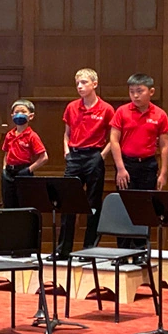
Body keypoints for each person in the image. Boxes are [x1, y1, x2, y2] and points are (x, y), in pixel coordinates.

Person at [53, 68, 115, 261]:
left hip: (94, 157)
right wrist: (66, 151)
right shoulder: (72, 107)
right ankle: (63, 250)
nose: (80, 86)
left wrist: (101, 156)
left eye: (84, 82)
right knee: (68, 203)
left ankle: (89, 250)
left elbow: (113, 138)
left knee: (92, 204)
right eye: (77, 83)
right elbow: (67, 133)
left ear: (94, 84)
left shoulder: (106, 109)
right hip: (74, 156)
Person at [109, 73, 168, 261]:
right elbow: (114, 139)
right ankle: (122, 252)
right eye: (132, 92)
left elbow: (164, 144)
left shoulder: (159, 114)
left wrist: (163, 172)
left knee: (145, 209)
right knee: (124, 207)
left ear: (151, 92)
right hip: (126, 165)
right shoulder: (122, 111)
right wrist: (120, 168)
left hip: (148, 165)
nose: (135, 96)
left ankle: (140, 250)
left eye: (139, 91)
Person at [1, 99, 48, 208]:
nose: (19, 114)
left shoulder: (32, 136)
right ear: (12, 115)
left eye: (23, 112)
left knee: (23, 205)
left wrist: (28, 170)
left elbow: (44, 157)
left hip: (23, 171)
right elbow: (6, 153)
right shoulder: (9, 135)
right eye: (16, 112)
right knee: (8, 204)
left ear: (30, 116)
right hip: (8, 173)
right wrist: (4, 168)